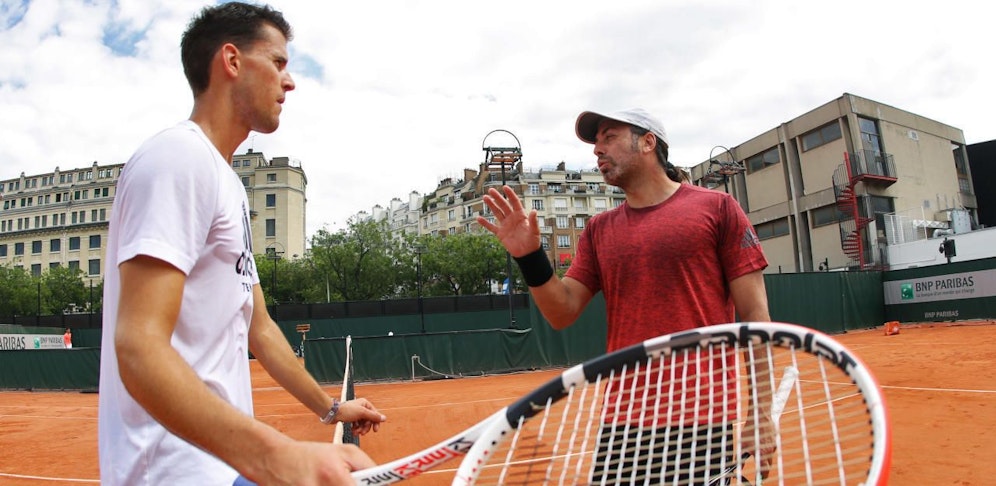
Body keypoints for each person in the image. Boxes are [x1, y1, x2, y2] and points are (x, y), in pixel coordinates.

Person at [97, 3, 386, 485]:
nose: (289, 82)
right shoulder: (178, 157)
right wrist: (275, 456)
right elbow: (138, 345)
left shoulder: (227, 182)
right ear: (231, 61)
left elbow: (260, 327)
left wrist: (332, 409)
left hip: (217, 468)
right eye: (278, 62)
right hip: (173, 473)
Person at [478, 108, 772, 483]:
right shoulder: (599, 229)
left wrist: (762, 413)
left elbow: (755, 316)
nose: (597, 149)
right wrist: (529, 257)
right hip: (622, 423)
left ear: (648, 142)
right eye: (595, 141)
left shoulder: (717, 208)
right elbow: (562, 311)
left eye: (609, 137)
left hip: (700, 418)